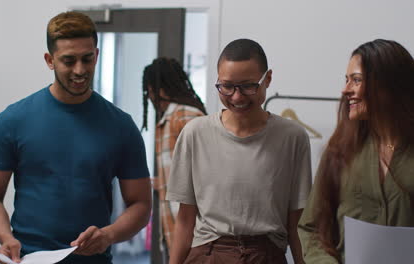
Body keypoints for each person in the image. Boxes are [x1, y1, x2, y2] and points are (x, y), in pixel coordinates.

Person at [0, 11, 151, 264]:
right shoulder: (12, 121)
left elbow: (141, 204)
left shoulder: (121, 126)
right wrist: (6, 238)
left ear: (97, 55)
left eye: (87, 59)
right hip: (28, 259)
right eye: (69, 61)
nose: (80, 70)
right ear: (50, 60)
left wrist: (108, 235)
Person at [166, 38, 312, 264]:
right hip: (208, 254)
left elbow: (297, 224)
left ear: (268, 79)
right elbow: (185, 221)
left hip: (266, 254)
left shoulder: (292, 138)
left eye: (248, 86)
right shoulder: (195, 133)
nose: (236, 96)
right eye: (227, 86)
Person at [298, 39, 414, 263]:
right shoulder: (338, 151)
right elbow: (311, 228)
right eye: (346, 79)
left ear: (388, 85)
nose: (345, 89)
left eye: (357, 80)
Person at [141, 57, 207, 257]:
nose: (150, 96)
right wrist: (157, 182)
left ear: (158, 88)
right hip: (176, 233)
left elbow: (205, 176)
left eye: (150, 89)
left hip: (195, 237)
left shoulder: (186, 116)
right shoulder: (167, 120)